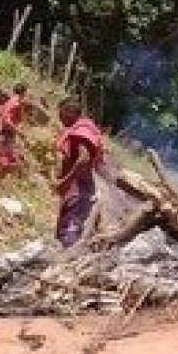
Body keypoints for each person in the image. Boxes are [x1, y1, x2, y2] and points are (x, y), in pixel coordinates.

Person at [53, 99, 111, 248]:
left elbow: (84, 158)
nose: (59, 117)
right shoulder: (86, 129)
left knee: (69, 237)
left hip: (79, 192)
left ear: (70, 112)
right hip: (79, 191)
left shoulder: (81, 132)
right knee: (65, 233)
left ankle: (64, 268)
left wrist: (64, 181)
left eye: (61, 113)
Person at [0, 84, 27, 177]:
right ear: (23, 93)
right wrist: (17, 130)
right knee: (8, 158)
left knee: (3, 156)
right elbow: (6, 119)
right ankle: (2, 178)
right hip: (7, 133)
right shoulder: (15, 104)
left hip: (4, 131)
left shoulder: (10, 101)